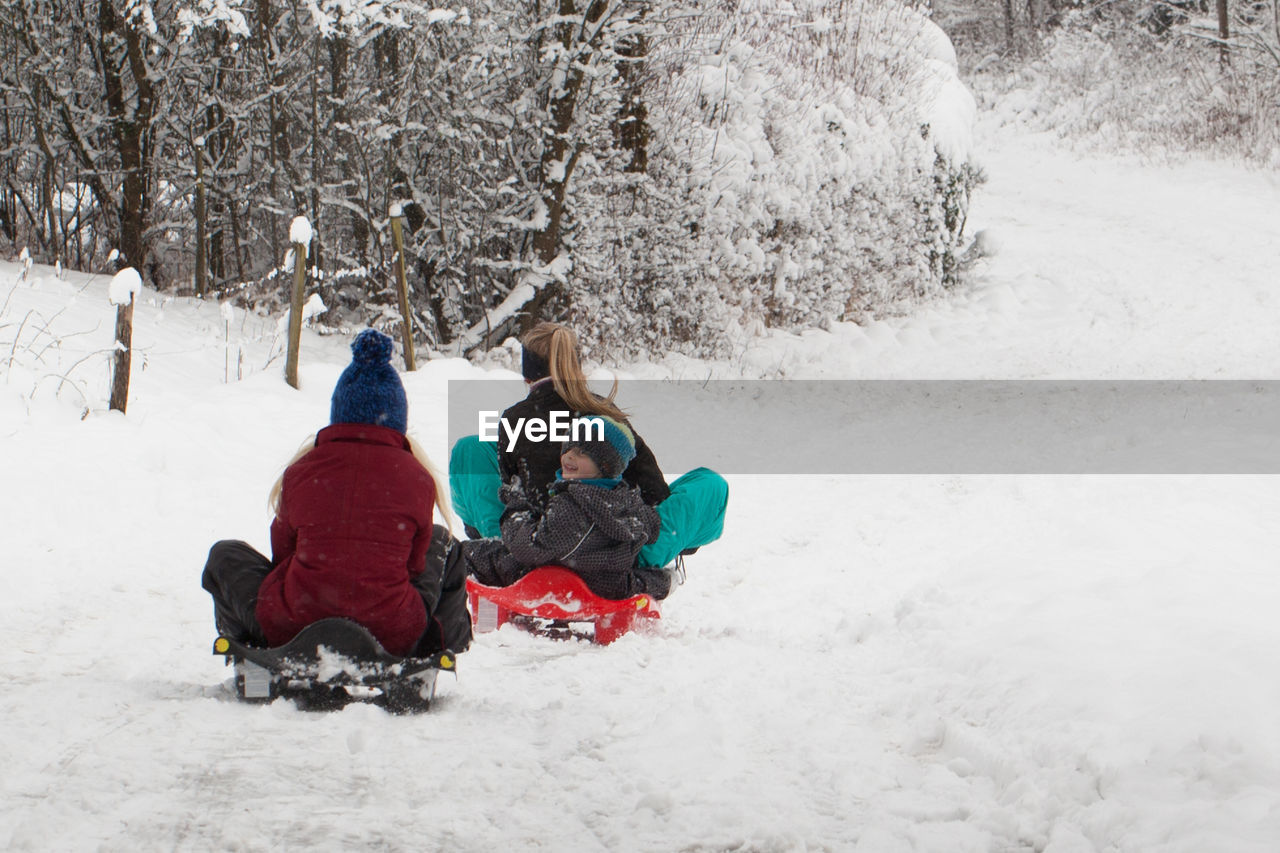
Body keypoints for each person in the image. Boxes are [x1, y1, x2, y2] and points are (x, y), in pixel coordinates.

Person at [201, 329, 471, 657]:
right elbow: (414, 566)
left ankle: (253, 649)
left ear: (339, 412)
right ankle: (436, 649)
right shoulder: (417, 477)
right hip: (391, 631)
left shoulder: (302, 471)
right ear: (398, 419)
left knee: (225, 555)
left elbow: (282, 556)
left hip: (296, 624)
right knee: (444, 544)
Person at [449, 321, 727, 570]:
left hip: (536, 546)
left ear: (527, 377)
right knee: (710, 484)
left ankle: (498, 541)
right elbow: (652, 489)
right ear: (576, 368)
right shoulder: (604, 413)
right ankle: (649, 557)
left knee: (471, 448)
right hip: (615, 552)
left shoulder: (514, 419)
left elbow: (510, 488)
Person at [462, 414, 672, 599]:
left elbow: (529, 547)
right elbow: (650, 525)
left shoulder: (576, 503)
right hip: (607, 581)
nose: (569, 456)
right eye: (568, 447)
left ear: (606, 465)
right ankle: (663, 582)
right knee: (636, 583)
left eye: (582, 452)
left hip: (553, 578)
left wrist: (516, 507)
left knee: (474, 554)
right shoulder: (622, 500)